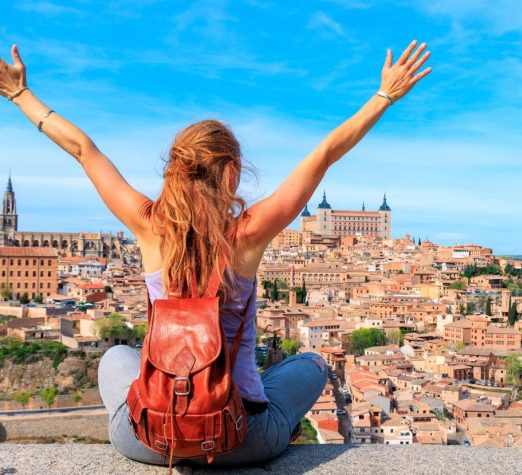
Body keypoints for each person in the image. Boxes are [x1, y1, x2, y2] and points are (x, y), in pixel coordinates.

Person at [0, 40, 431, 466]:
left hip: (150, 440)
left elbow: (83, 150)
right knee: (313, 364)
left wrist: (20, 94)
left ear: (175, 169)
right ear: (232, 170)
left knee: (116, 356)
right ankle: (260, 415)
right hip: (242, 439)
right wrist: (384, 96)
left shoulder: (149, 226)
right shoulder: (247, 234)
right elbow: (323, 156)